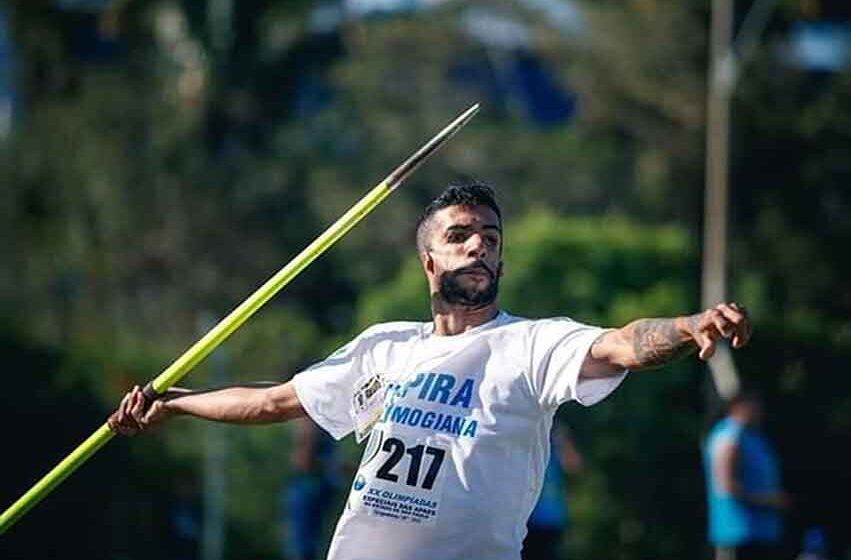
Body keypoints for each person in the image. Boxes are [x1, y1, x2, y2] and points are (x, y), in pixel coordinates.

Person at [110, 183, 753, 560]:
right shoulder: (385, 348)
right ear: (428, 261)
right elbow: (275, 401)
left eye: (492, 239)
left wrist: (687, 326)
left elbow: (622, 345)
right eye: (462, 235)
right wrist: (173, 403)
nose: (479, 246)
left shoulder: (531, 345)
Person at [704, 390, 788, 560]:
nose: (759, 410)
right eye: (754, 404)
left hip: (761, 534)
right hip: (737, 532)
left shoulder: (752, 435)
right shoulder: (730, 435)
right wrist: (767, 500)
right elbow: (726, 484)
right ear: (737, 407)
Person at [281, 418, 342, 560]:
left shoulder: (313, 417)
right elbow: (304, 459)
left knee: (303, 544)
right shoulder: (317, 418)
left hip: (310, 486)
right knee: (308, 545)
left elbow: (302, 459)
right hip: (315, 486)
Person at [522, 425, 584, 560]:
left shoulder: (555, 444)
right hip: (526, 519)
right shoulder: (525, 443)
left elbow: (574, 466)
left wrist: (563, 442)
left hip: (551, 519)